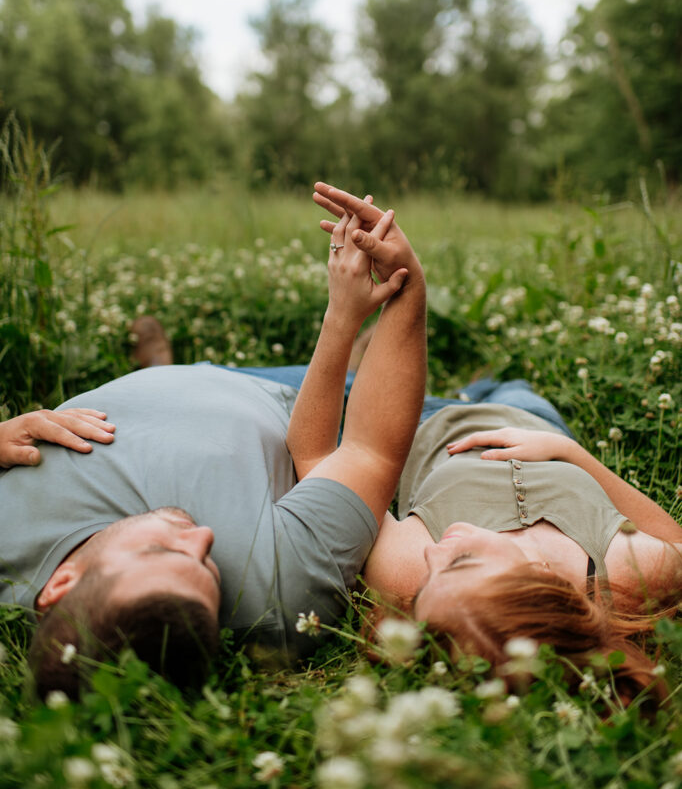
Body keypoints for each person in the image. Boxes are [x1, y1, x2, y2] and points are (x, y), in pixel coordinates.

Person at [0, 187, 426, 698]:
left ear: (61, 585)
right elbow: (367, 450)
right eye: (207, 569)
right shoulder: (273, 593)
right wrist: (404, 290)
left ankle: (162, 368)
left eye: (162, 550)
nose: (202, 539)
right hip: (286, 398)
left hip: (183, 387)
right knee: (480, 414)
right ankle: (379, 359)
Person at [309, 185, 682, 706]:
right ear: (540, 585)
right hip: (528, 416)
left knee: (341, 391)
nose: (436, 554)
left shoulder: (408, 573)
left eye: (422, 592)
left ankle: (376, 360)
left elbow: (326, 461)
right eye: (459, 564)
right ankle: (472, 379)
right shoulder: (624, 575)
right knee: (511, 386)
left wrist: (349, 314)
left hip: (419, 422)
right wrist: (569, 454)